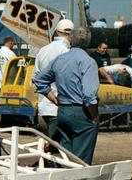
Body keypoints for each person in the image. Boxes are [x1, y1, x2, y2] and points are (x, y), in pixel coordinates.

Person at [33, 26, 99, 165]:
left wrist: (54, 98)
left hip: (62, 111)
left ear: (71, 40)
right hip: (81, 113)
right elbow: (88, 96)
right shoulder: (88, 62)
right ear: (88, 42)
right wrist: (94, 116)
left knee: (66, 156)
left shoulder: (60, 59)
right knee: (80, 161)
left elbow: (39, 80)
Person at [31, 19, 73, 139]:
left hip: (44, 107)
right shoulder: (67, 52)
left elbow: (35, 79)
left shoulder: (42, 51)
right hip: (60, 108)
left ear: (56, 32)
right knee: (59, 150)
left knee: (46, 147)